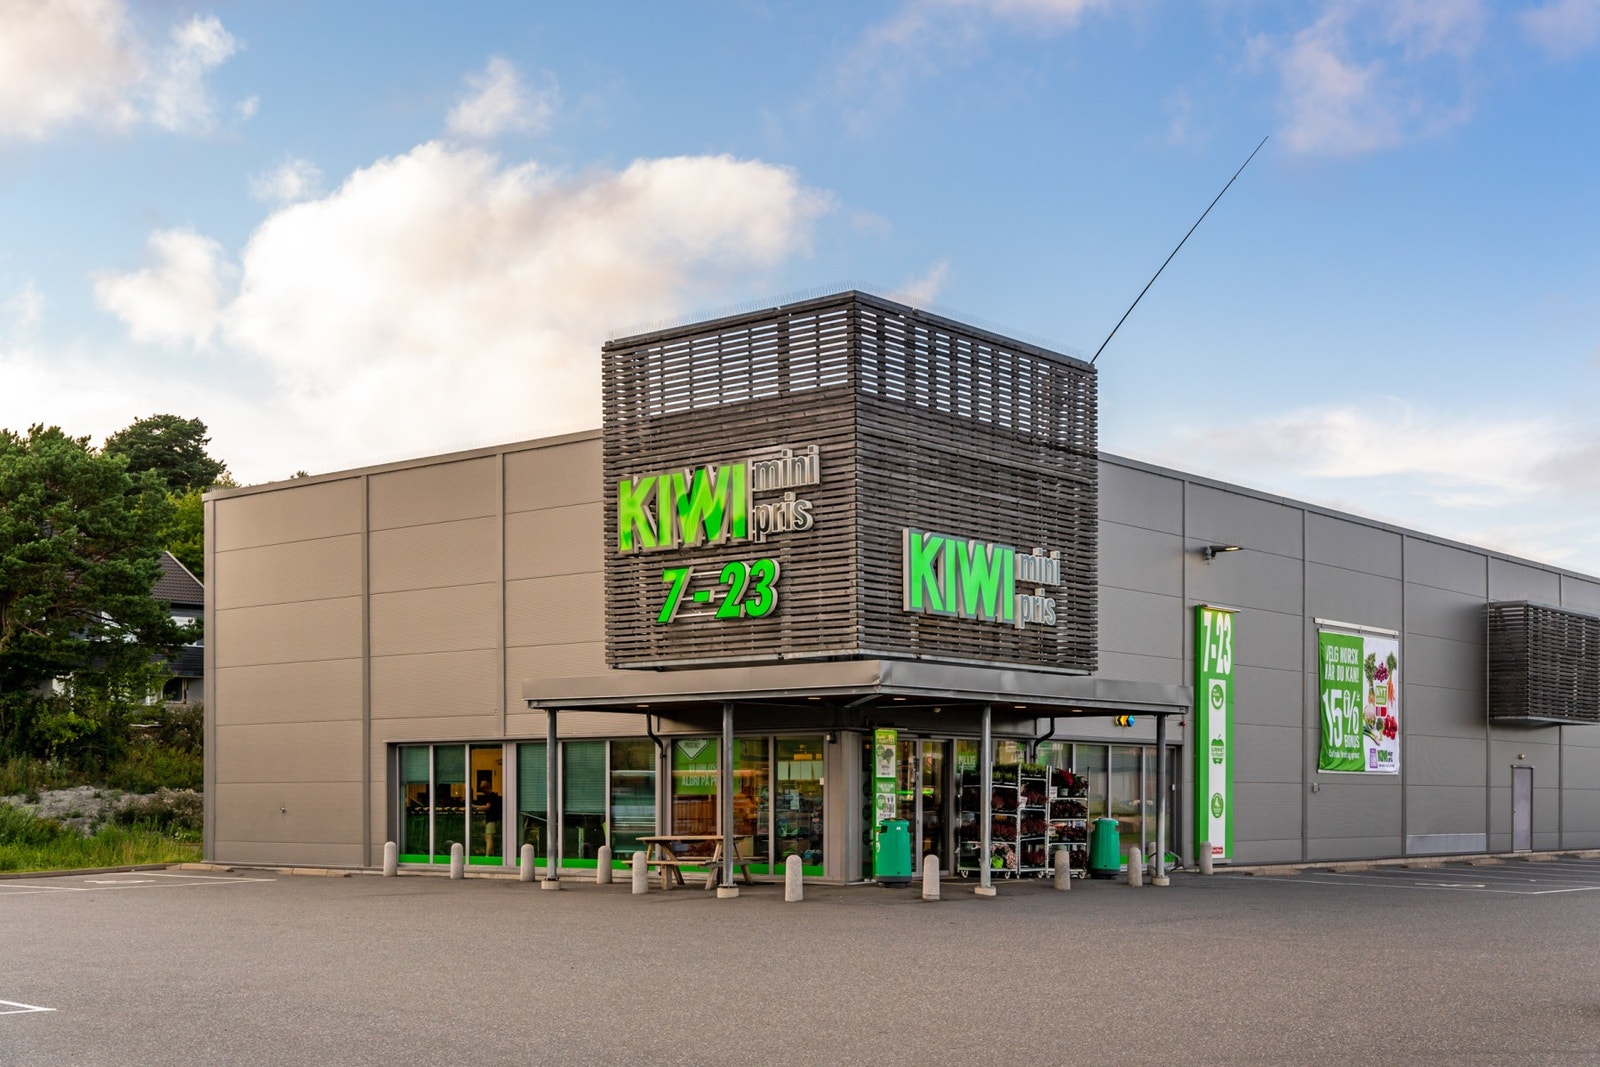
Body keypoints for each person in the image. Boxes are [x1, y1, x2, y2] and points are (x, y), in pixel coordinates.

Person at [476, 787, 502, 854]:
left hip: (491, 819)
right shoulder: (495, 796)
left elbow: (487, 807)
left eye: (482, 790)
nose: (482, 792)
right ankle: (491, 854)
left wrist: (475, 807)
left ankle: (488, 855)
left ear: (485, 788)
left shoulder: (491, 796)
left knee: (489, 837)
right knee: (489, 837)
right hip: (493, 819)